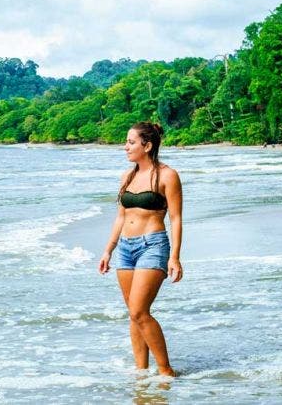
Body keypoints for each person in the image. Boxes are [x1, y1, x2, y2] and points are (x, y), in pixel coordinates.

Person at [98, 121, 183, 377]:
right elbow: (120, 217)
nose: (126, 147)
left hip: (153, 245)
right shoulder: (128, 176)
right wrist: (108, 250)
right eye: (126, 142)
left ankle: (166, 371)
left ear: (147, 146)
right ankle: (141, 373)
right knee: (133, 315)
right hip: (125, 248)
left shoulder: (167, 175)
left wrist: (175, 258)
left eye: (131, 142)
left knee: (139, 310)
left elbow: (176, 219)